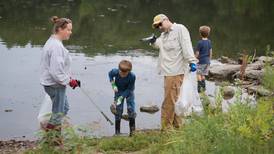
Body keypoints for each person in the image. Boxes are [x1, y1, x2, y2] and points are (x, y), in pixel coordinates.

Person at [149, 14, 198, 130]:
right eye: (157, 27)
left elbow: (187, 45)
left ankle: (166, 129)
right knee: (175, 99)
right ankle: (178, 126)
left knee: (169, 101)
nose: (159, 27)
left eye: (160, 24)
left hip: (176, 72)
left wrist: (192, 61)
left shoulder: (180, 29)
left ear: (166, 20)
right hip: (167, 72)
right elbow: (159, 45)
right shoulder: (164, 34)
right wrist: (153, 41)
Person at [40, 16, 80, 144]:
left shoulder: (53, 41)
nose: (70, 32)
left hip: (54, 83)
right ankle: (53, 141)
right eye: (68, 29)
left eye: (70, 30)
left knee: (64, 108)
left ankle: (49, 130)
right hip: (55, 84)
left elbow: (59, 68)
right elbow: (56, 72)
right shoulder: (56, 46)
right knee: (58, 113)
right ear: (60, 29)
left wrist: (69, 79)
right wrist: (69, 81)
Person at [108, 60, 136, 136]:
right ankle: (117, 132)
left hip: (129, 92)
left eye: (125, 74)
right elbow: (110, 75)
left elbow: (129, 89)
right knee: (118, 110)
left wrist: (121, 97)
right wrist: (113, 84)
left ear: (129, 72)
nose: (122, 75)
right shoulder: (115, 72)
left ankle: (132, 133)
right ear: (119, 69)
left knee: (131, 109)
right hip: (118, 91)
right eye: (121, 73)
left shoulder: (132, 76)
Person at [195, 26, 212, 92]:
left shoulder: (200, 43)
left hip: (200, 61)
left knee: (198, 74)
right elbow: (210, 51)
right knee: (203, 74)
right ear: (208, 34)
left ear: (200, 34)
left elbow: (197, 53)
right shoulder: (209, 42)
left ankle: (199, 88)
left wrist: (194, 58)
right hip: (207, 61)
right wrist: (209, 60)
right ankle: (204, 87)